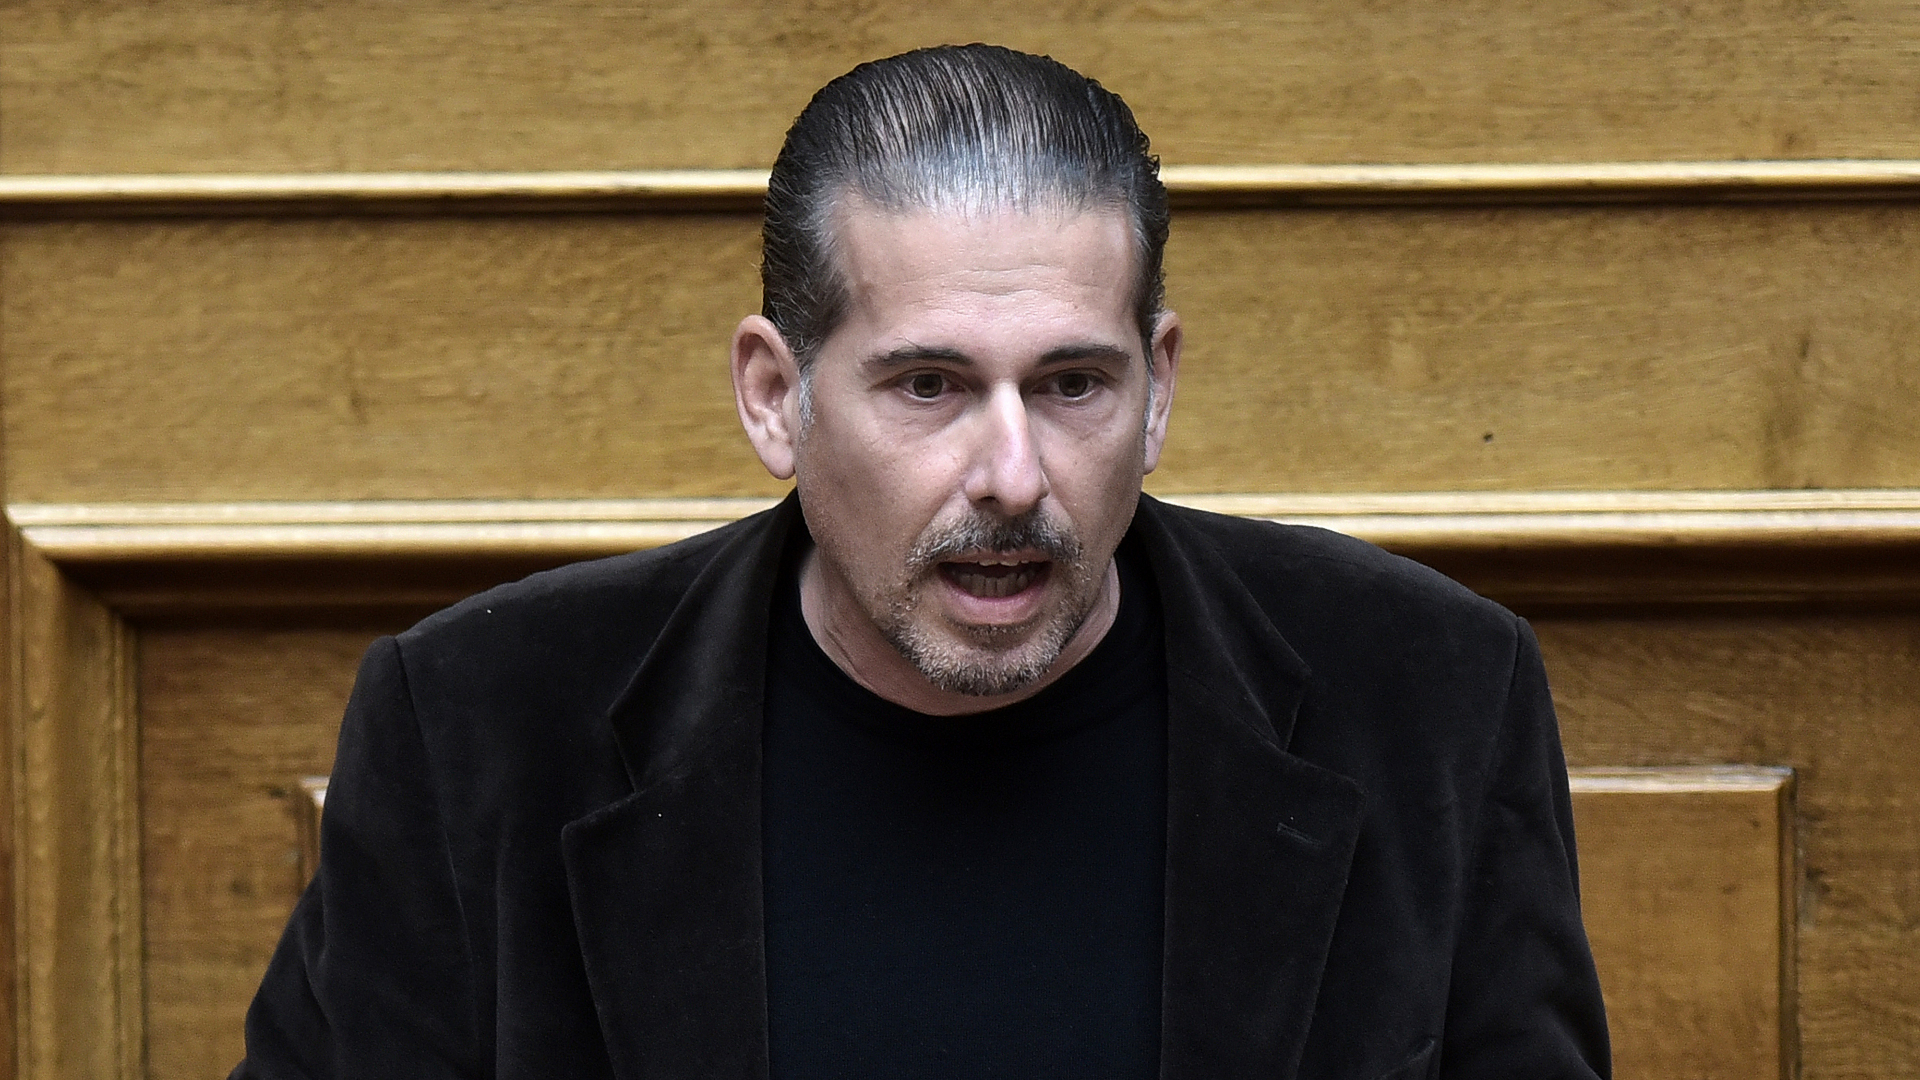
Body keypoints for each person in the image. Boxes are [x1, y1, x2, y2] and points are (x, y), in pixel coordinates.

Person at [234, 44, 1610, 1080]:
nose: (1012, 474)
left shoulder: (1431, 696)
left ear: (1159, 389)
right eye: (929, 386)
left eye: (1072, 384)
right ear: (776, 396)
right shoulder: (476, 728)